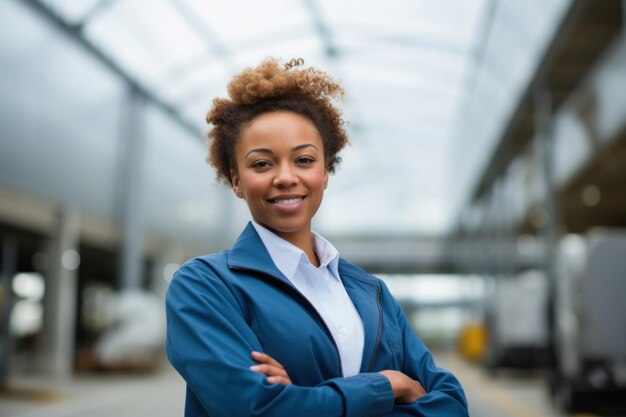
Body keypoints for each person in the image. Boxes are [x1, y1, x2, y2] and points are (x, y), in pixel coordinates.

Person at [165, 58, 468, 417]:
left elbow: (450, 403)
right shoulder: (205, 286)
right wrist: (387, 386)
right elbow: (255, 410)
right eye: (262, 164)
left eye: (304, 160)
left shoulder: (371, 293)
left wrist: (303, 399)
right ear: (235, 180)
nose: (285, 177)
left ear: (325, 172)